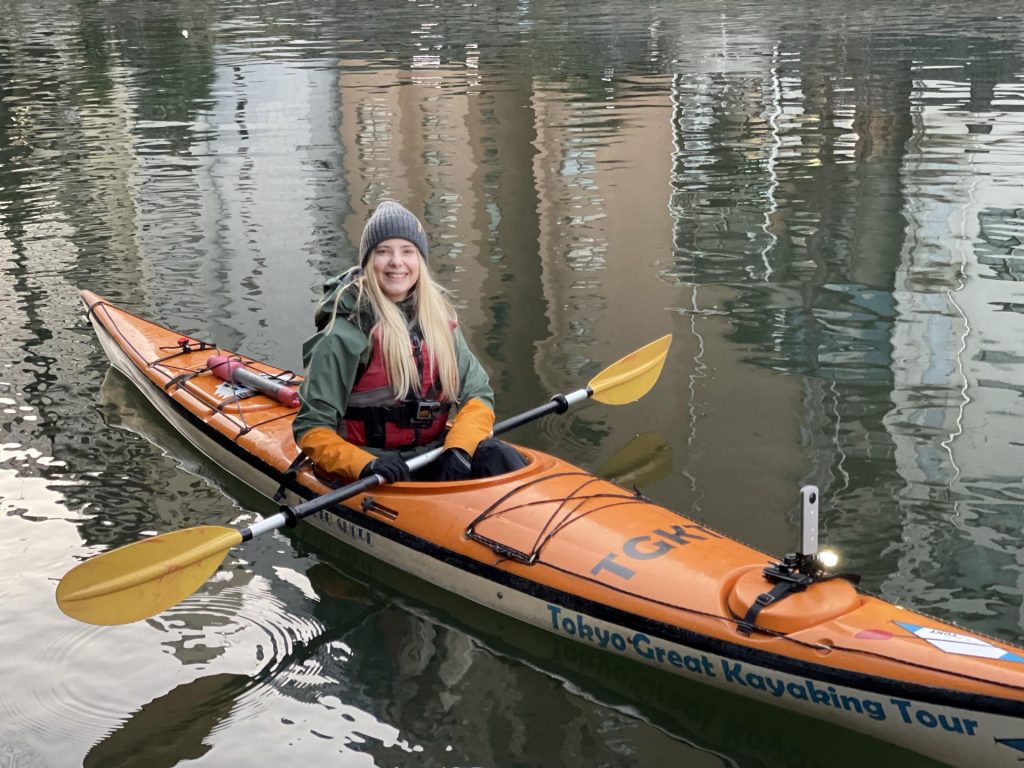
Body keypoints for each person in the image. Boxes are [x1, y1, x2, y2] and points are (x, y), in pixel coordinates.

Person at [292, 200, 527, 484]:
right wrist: (366, 465)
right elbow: (311, 427)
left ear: (420, 261)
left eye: (407, 251)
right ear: (368, 262)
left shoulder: (440, 324)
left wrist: (460, 450)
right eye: (383, 252)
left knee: (497, 455)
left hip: (431, 455)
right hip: (370, 472)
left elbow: (478, 395)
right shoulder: (342, 337)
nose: (396, 262)